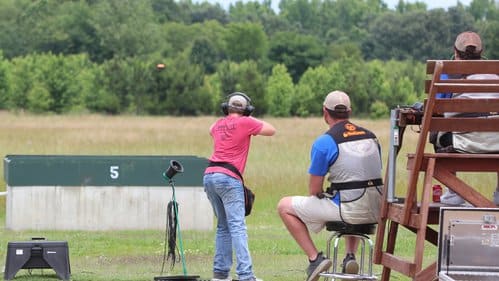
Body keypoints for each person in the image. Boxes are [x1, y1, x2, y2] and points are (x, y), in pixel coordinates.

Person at [277, 91, 383, 281]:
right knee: (354, 196)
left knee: (284, 206)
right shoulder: (372, 137)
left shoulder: (325, 142)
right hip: (375, 209)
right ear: (349, 111)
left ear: (325, 112)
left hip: (346, 209)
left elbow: (314, 190)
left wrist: (324, 193)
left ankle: (315, 259)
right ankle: (349, 256)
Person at [203, 92, 276, 281]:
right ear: (247, 110)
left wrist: (233, 116)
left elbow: (211, 128)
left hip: (210, 175)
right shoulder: (246, 122)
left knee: (223, 226)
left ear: (226, 107)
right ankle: (245, 275)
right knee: (237, 227)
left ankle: (220, 274)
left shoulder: (218, 123)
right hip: (228, 177)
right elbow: (271, 129)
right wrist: (247, 116)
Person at [432, 31, 499, 206]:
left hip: (463, 143)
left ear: (455, 51)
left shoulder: (446, 76)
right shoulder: (496, 76)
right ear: (481, 52)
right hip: (497, 142)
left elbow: (438, 110)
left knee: (436, 132)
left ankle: (454, 192)